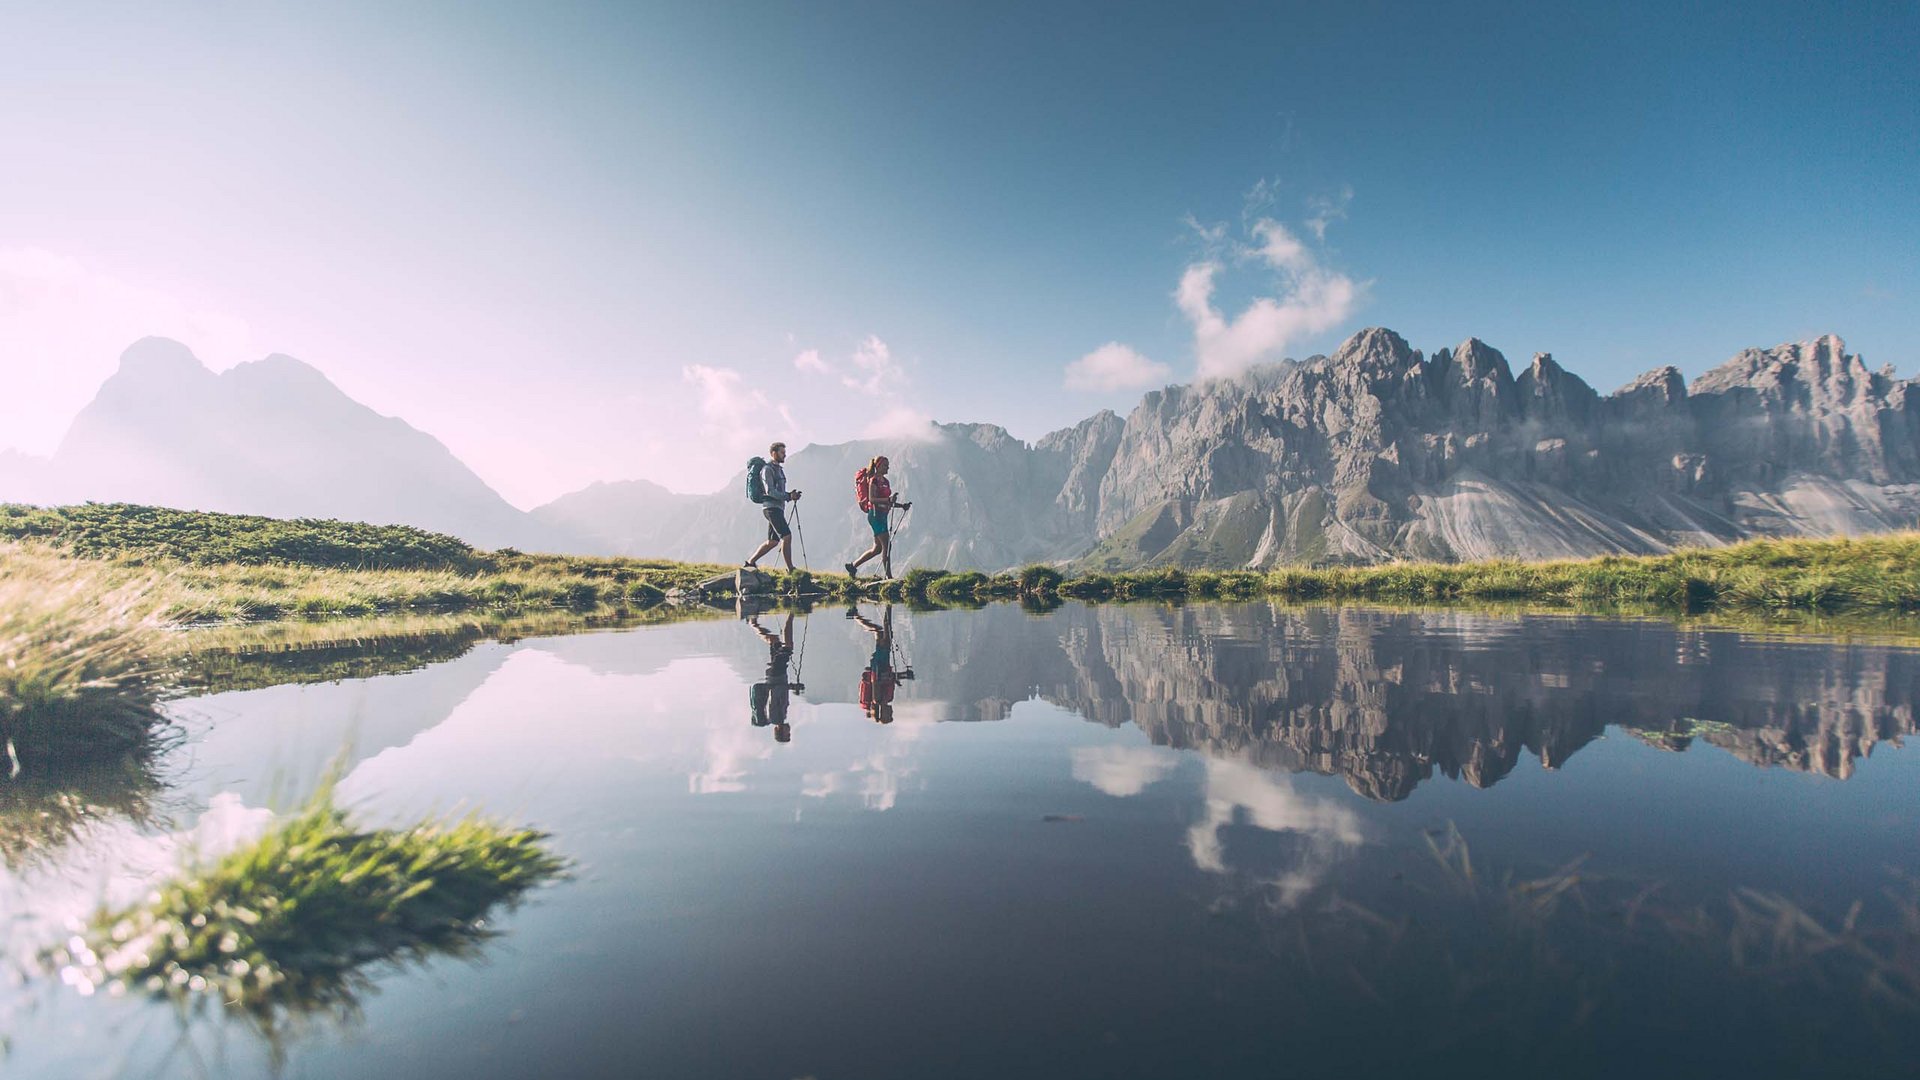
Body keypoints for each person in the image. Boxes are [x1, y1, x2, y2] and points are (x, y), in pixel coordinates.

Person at [845, 455, 911, 580]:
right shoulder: (873, 480)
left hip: (882, 515)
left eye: (888, 465)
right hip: (875, 515)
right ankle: (889, 576)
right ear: (879, 466)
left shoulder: (885, 481)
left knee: (877, 549)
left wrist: (901, 505)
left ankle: (852, 566)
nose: (888, 467)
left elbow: (887, 501)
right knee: (887, 545)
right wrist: (888, 499)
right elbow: (872, 499)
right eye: (885, 465)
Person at [744, 441, 803, 572]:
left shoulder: (779, 470)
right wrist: (788, 496)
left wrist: (791, 495)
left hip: (777, 508)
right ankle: (790, 569)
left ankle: (750, 562)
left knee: (773, 542)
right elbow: (770, 491)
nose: (785, 455)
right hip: (771, 508)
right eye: (782, 452)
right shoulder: (767, 470)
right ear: (773, 453)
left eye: (784, 452)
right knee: (786, 536)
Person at [849, 603, 912, 724]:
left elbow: (876, 680)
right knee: (880, 632)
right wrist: (902, 676)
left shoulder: (877, 699)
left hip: (880, 664)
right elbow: (889, 679)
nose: (892, 712)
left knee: (886, 632)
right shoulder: (887, 698)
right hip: (883, 664)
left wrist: (897, 676)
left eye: (890, 714)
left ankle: (888, 605)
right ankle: (856, 616)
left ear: (884, 713)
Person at [747, 611, 803, 743]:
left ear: (780, 732)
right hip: (775, 675)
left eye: (787, 734)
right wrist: (790, 687)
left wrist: (791, 686)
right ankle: (753, 623)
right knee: (775, 641)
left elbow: (776, 692)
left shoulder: (777, 717)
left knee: (788, 646)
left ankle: (791, 613)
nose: (789, 732)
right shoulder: (778, 717)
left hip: (777, 674)